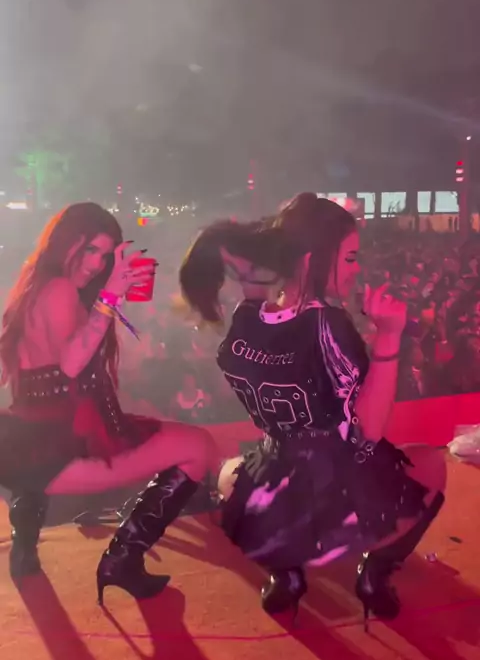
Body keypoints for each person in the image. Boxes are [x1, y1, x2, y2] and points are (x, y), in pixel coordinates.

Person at [179, 193, 446, 626]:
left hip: (270, 494)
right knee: (430, 465)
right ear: (312, 259)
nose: (356, 268)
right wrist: (389, 337)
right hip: (335, 498)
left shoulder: (248, 317)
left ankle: (286, 574)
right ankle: (375, 573)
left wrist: (253, 275)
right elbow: (367, 432)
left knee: (230, 472)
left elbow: (257, 305)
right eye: (350, 257)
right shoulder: (329, 325)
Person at [0, 202, 215, 603]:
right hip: (59, 447)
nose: (95, 264)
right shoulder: (59, 290)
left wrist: (111, 301)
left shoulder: (33, 287)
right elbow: (70, 364)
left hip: (31, 445)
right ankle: (122, 559)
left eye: (104, 255)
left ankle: (25, 543)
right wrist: (110, 296)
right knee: (198, 446)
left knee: (182, 439)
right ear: (65, 242)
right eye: (88, 250)